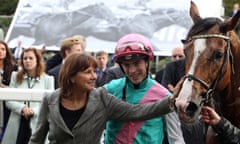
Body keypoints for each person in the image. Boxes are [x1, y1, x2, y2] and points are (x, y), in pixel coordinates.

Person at [29, 52, 177, 144]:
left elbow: (137, 111)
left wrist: (171, 101)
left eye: (94, 71)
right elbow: (36, 139)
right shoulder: (50, 100)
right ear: (72, 76)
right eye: (88, 72)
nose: (94, 77)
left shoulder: (102, 99)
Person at [103, 33, 184, 144]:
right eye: (126, 65)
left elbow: (176, 139)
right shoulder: (111, 89)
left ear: (147, 61)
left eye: (136, 63)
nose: (132, 70)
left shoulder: (164, 96)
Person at [1, 48, 54, 144]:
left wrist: (34, 111)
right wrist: (22, 108)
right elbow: (9, 101)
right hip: (18, 122)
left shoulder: (48, 79)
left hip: (38, 124)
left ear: (37, 60)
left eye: (31, 58)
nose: (27, 61)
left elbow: (51, 104)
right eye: (25, 58)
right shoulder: (15, 76)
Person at [0, 40, 18, 142]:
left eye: (3, 49)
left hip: (7, 105)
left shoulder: (13, 68)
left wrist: (1, 86)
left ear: (7, 51)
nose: (0, 51)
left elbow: (16, 88)